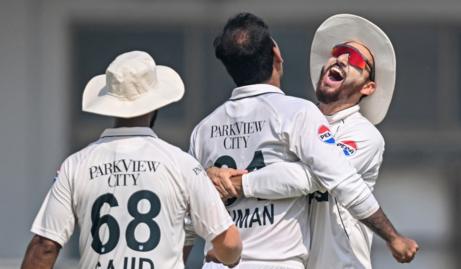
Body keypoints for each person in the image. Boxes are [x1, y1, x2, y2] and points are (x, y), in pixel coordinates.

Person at [185, 12, 417, 269]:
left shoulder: (364, 135)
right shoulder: (296, 118)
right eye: (337, 51)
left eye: (353, 58)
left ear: (368, 87)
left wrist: (237, 182)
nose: (339, 59)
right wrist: (205, 178)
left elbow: (321, 176)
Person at [20, 51, 242, 269]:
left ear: (109, 103)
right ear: (156, 103)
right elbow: (229, 243)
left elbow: (45, 246)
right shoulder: (182, 164)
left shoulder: (75, 165)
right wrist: (227, 256)